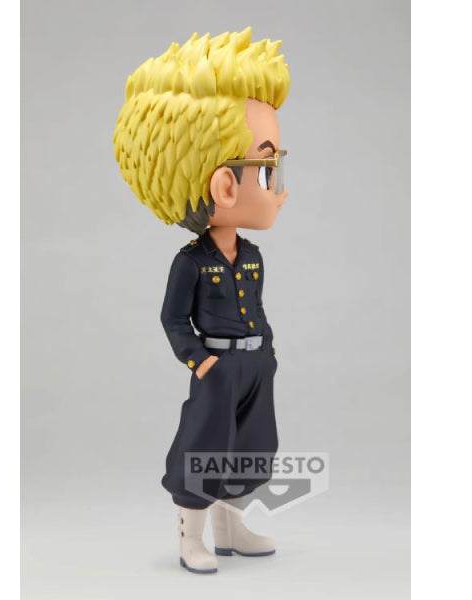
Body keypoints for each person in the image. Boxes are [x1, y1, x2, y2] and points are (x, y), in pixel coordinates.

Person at [113, 27, 290, 574]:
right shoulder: (191, 263)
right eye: (267, 168)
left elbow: (256, 307)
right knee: (204, 447)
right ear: (224, 187)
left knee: (250, 448)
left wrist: (267, 353)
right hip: (217, 367)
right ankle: (191, 536)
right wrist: (201, 361)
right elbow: (173, 319)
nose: (279, 186)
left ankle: (231, 529)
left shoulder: (252, 256)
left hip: (254, 366)